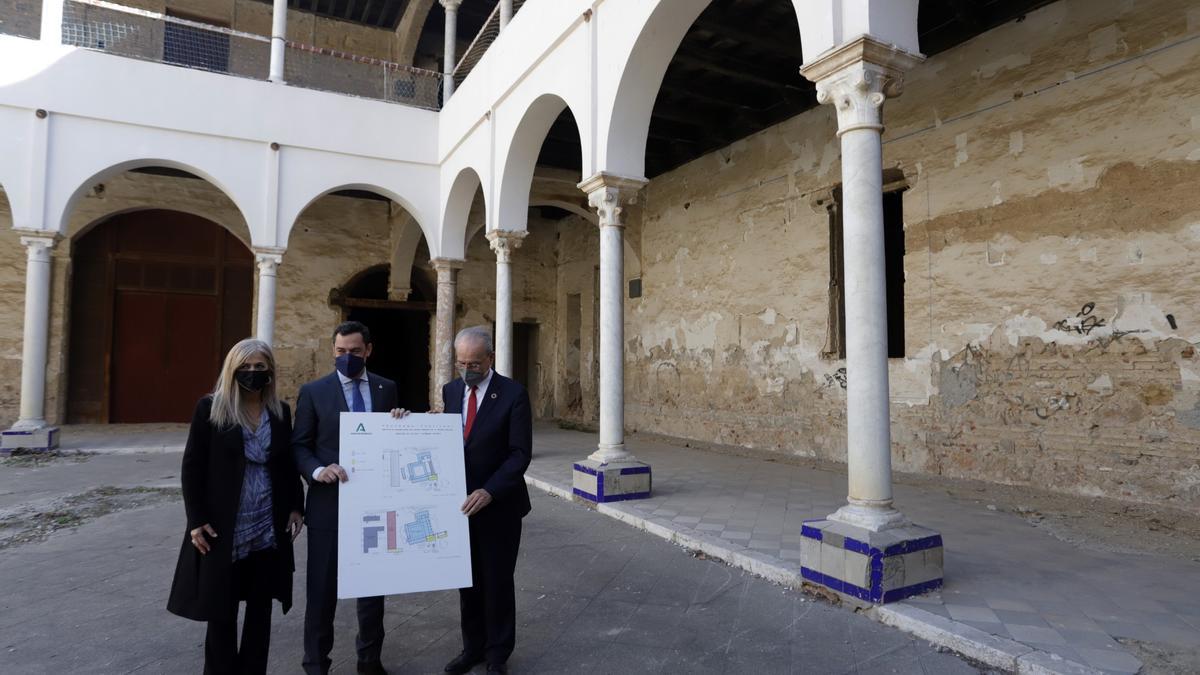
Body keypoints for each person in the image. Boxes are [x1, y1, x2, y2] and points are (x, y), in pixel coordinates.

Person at [167, 338, 305, 675]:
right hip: (225, 526)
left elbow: (285, 465)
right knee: (221, 612)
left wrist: (295, 507)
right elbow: (192, 467)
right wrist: (195, 521)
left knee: (260, 611)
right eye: (245, 367)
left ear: (270, 371)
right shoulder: (211, 409)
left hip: (266, 524)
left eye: (260, 367)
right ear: (232, 370)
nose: (252, 373)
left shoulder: (279, 412)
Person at [293, 321, 399, 675]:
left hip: (374, 507)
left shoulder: (387, 389)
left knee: (372, 593)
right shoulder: (314, 392)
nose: (347, 357)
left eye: (354, 351)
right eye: (341, 352)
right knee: (321, 593)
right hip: (328, 506)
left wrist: (402, 421)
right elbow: (300, 446)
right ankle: (316, 664)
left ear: (368, 350)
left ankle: (370, 661)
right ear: (333, 351)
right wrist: (317, 470)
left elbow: (393, 442)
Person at [440, 326, 533, 675]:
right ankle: (472, 648)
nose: (467, 370)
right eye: (461, 362)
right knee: (468, 581)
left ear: (490, 359)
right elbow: (452, 438)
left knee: (496, 582)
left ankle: (497, 654)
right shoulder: (451, 391)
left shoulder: (513, 394)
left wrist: (489, 490)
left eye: (474, 363)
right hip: (460, 506)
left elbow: (519, 453)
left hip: (499, 506)